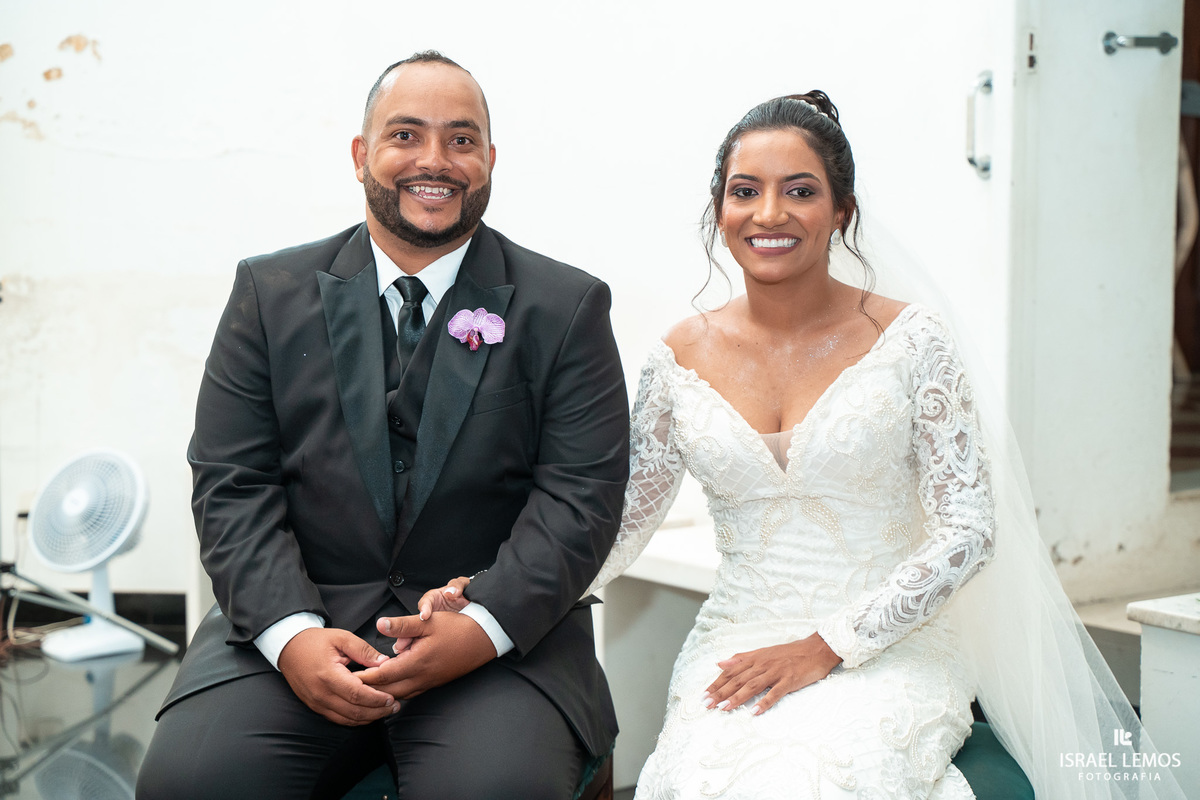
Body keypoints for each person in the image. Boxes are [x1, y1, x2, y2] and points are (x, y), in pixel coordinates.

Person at [426, 93, 1186, 798]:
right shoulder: (677, 357)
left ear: (840, 210)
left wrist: (828, 645)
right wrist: (497, 589)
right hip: (737, 639)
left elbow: (967, 531)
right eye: (745, 190)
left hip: (891, 641)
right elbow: (620, 523)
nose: (769, 213)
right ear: (719, 208)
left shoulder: (911, 340)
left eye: (800, 189)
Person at [136, 51, 629, 800]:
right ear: (363, 154)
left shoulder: (566, 307)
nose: (435, 160)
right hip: (302, 625)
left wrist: (482, 623)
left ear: (490, 160)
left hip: (497, 642)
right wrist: (292, 635)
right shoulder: (268, 294)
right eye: (406, 135)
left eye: (462, 140)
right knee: (192, 785)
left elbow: (580, 499)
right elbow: (232, 484)